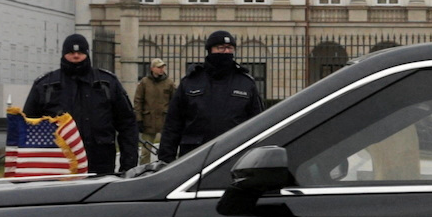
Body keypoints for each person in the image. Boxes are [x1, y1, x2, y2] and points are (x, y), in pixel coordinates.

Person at [22, 33, 138, 176]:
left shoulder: (107, 83)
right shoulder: (46, 85)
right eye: (71, 52)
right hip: (59, 166)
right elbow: (28, 125)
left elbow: (127, 124)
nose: (76, 56)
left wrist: (129, 165)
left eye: (80, 52)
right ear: (64, 54)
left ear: (87, 54)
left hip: (100, 164)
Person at [159, 29, 266, 161]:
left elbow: (258, 123)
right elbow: (173, 125)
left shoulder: (245, 83)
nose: (226, 52)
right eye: (220, 48)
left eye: (229, 48)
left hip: (234, 154)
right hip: (194, 155)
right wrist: (165, 161)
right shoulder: (191, 82)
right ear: (210, 50)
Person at [132, 58, 175, 166]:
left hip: (164, 120)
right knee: (145, 151)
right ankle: (144, 170)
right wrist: (139, 118)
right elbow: (138, 100)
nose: (161, 69)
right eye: (158, 67)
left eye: (162, 67)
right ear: (152, 68)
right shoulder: (144, 83)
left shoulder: (169, 83)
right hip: (148, 120)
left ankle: (166, 167)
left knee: (167, 148)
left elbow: (174, 101)